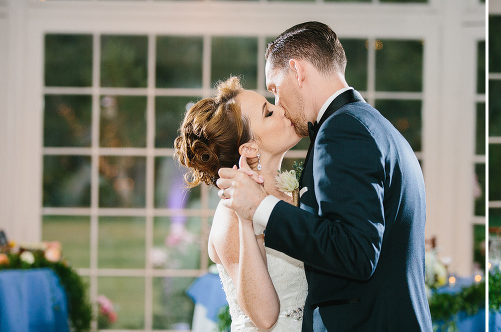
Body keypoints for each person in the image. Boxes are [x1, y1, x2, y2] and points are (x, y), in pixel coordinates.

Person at [216, 21, 433, 331]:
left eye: (275, 90)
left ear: (297, 70)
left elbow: (355, 251)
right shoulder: (372, 124)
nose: (280, 106)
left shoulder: (342, 130)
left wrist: (260, 207)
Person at [174, 76, 306, 331]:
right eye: (268, 113)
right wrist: (247, 220)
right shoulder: (230, 214)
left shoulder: (294, 193)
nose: (280, 108)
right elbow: (265, 317)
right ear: (250, 148)